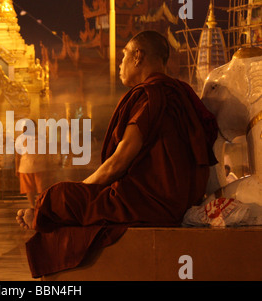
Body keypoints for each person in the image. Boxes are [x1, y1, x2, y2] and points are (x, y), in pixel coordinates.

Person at [16, 30, 219, 278]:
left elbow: (119, 161)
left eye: (123, 56)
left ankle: (40, 214)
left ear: (138, 57)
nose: (120, 64)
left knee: (59, 196)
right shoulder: (179, 93)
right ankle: (42, 214)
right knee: (74, 199)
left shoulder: (150, 96)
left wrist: (84, 188)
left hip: (149, 201)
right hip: (180, 199)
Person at [15, 121, 55, 209]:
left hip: (25, 167)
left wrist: (16, 169)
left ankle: (32, 205)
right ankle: (41, 204)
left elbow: (17, 156)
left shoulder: (21, 139)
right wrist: (49, 166)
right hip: (40, 166)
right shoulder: (41, 138)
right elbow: (47, 153)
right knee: (42, 188)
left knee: (29, 189)